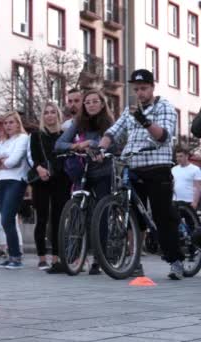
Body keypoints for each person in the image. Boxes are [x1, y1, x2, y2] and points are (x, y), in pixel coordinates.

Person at [97, 69, 186, 280]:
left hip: (157, 166)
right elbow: (113, 132)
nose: (140, 93)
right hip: (133, 166)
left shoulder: (165, 107)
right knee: (132, 216)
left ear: (152, 87)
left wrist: (144, 121)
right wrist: (101, 148)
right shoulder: (130, 110)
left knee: (162, 214)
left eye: (143, 88)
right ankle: (134, 260)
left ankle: (176, 261)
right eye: (136, 89)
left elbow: (164, 136)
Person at [55, 89, 115, 275]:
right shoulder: (77, 123)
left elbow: (116, 143)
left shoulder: (110, 124)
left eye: (94, 101)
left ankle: (100, 258)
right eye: (87, 102)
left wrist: (99, 148)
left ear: (102, 103)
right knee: (79, 210)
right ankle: (74, 255)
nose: (90, 105)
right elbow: (59, 144)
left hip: (103, 172)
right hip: (84, 171)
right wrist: (77, 145)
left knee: (101, 213)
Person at [29, 102, 70, 271]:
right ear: (43, 116)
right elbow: (34, 157)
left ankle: (56, 256)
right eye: (46, 112)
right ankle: (41, 257)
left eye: (53, 112)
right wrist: (39, 169)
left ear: (58, 115)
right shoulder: (36, 135)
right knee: (42, 218)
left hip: (61, 179)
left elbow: (68, 156)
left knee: (58, 219)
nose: (50, 115)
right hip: (42, 179)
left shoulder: (65, 135)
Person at [0, 112, 29, 269]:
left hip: (16, 181)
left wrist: (2, 160)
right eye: (5, 123)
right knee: (5, 221)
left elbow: (14, 161)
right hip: (1, 181)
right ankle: (12, 256)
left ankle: (16, 257)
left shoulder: (23, 138)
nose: (8, 125)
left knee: (7, 219)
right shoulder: (3, 141)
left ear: (18, 124)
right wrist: (2, 161)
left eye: (11, 122)